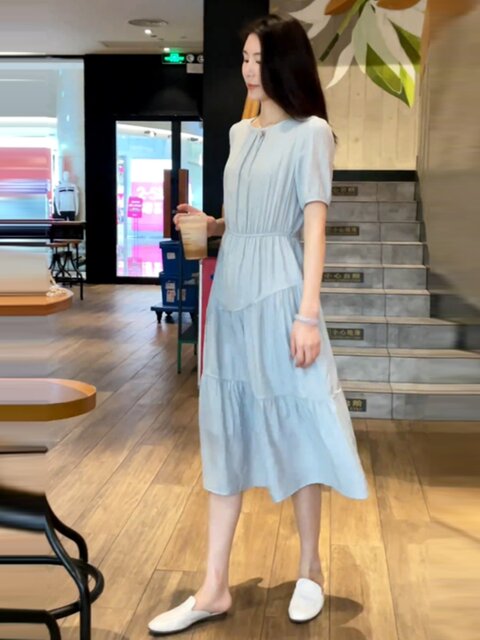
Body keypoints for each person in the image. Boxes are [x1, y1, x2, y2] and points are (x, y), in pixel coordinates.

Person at [148, 13, 368, 636]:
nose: (248, 69)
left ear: (284, 64)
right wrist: (212, 224)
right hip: (231, 296)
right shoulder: (239, 134)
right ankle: (213, 586)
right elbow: (241, 217)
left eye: (258, 59)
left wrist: (307, 315)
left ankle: (310, 570)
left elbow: (313, 229)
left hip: (280, 296)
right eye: (244, 58)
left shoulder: (312, 133)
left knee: (297, 425)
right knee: (224, 429)